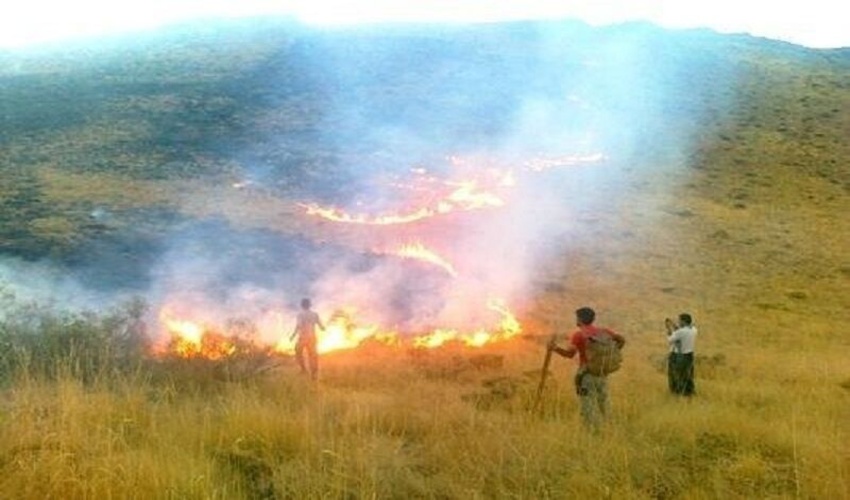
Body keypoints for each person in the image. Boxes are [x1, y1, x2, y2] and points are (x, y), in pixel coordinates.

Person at [549, 307, 626, 429]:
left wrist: (554, 348)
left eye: (577, 317)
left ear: (580, 319)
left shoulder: (579, 335)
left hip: (586, 376)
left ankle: (593, 433)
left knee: (587, 406)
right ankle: (611, 429)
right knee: (604, 403)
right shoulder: (604, 331)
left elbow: (569, 354)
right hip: (602, 373)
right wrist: (611, 353)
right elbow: (622, 340)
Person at [290, 298, 325, 381]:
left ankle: (304, 369)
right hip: (313, 338)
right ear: (310, 305)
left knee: (298, 352)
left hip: (303, 338)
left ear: (302, 305)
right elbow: (321, 326)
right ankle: (314, 374)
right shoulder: (315, 314)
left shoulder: (300, 315)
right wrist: (324, 328)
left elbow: (298, 326)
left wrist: (293, 335)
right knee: (313, 356)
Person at [666, 313, 697, 396]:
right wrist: (676, 327)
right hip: (689, 355)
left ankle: (678, 392)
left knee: (675, 373)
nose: (678, 322)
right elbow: (684, 330)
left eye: (679, 320)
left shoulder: (680, 332)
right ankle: (689, 391)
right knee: (688, 374)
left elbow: (670, 340)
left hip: (678, 355)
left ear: (683, 321)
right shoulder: (694, 330)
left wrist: (669, 329)